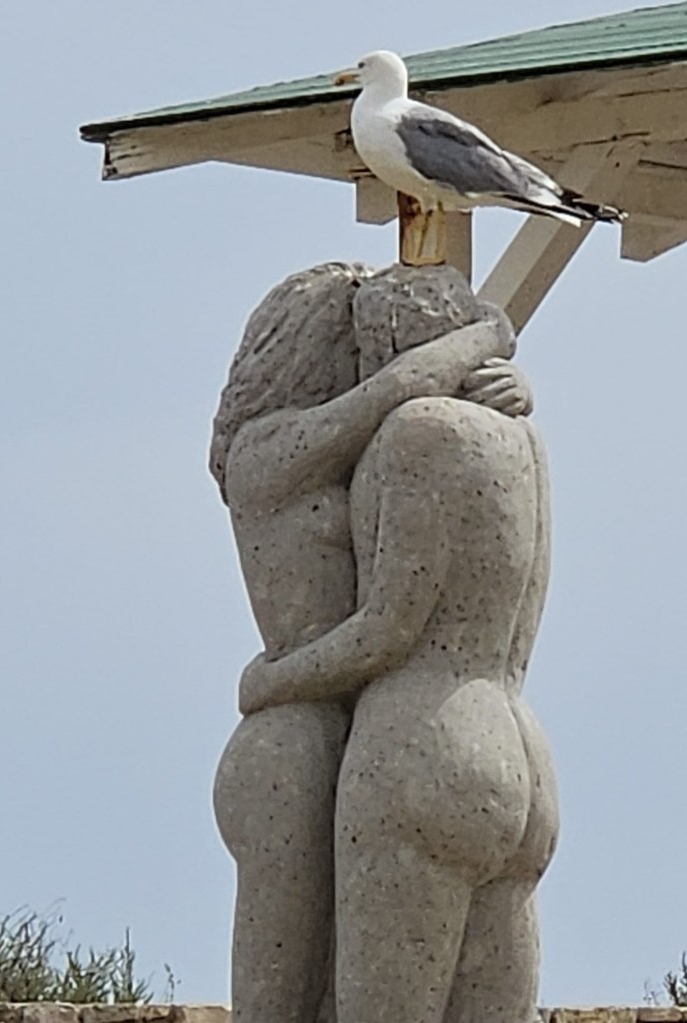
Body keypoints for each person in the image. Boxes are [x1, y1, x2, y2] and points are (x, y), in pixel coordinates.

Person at [210, 261, 530, 1023]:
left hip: (371, 722)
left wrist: (500, 387)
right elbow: (398, 388)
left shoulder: (383, 441)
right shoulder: (266, 448)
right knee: (280, 1001)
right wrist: (490, 333)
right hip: (292, 739)